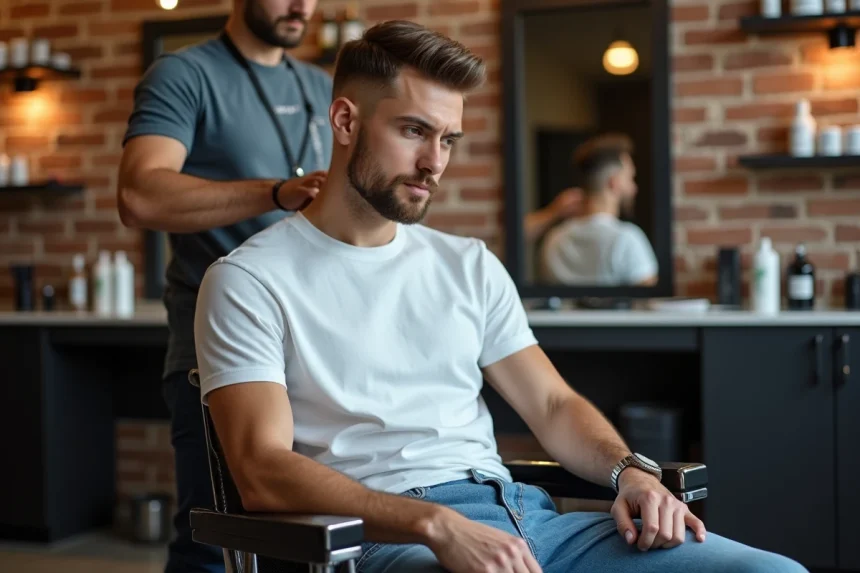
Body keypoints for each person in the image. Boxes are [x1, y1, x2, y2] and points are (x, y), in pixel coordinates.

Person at [193, 20, 806, 573]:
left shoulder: (468, 265)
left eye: (449, 139)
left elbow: (553, 404)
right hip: (386, 539)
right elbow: (262, 471)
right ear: (346, 122)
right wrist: (435, 525)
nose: (434, 163)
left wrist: (630, 472)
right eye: (414, 131)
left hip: (527, 520)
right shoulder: (249, 281)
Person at [116, 0, 331, 570]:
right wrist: (276, 192)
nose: (301, 6)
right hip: (220, 351)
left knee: (307, 542)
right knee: (215, 545)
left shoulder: (320, 85)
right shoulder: (184, 74)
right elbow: (140, 195)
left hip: (315, 347)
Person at [539, 134, 659, 286]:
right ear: (614, 182)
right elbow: (650, 294)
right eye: (630, 178)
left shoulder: (554, 240)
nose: (634, 188)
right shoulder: (627, 239)